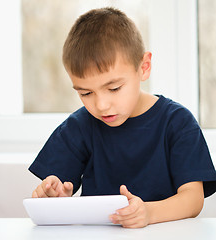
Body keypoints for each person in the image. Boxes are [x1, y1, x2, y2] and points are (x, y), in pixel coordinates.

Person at [29, 7, 216, 228]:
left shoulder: (177, 123)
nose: (101, 105)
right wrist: (54, 200)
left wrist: (148, 212)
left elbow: (193, 200)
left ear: (143, 67)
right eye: (85, 93)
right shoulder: (78, 127)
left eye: (114, 88)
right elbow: (56, 190)